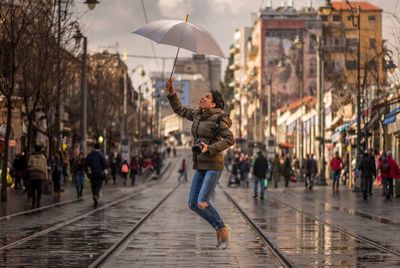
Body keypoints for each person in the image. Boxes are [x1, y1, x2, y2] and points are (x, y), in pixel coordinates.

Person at [166, 78, 235, 249]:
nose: (202, 98)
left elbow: (230, 139)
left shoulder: (220, 119)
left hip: (213, 165)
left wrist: (209, 148)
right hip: (201, 165)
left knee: (202, 202)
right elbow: (180, 110)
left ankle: (222, 228)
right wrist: (171, 93)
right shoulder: (197, 114)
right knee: (192, 203)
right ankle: (219, 227)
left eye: (207, 97)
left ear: (212, 104)